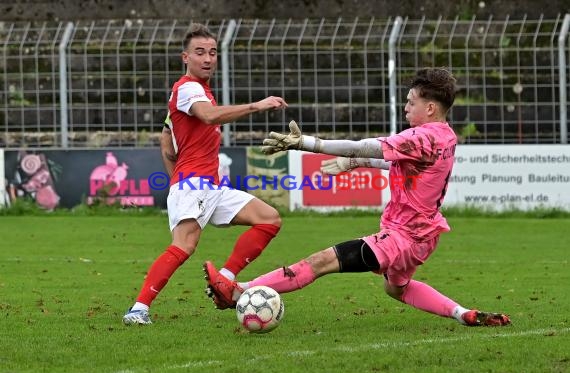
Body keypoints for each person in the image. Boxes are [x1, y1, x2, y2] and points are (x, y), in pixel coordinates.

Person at [204, 68, 511, 327]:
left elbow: (365, 146)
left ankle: (236, 291)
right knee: (397, 290)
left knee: (321, 261)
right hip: (423, 237)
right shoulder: (444, 136)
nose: (406, 108)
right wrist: (354, 163)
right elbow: (397, 162)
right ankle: (463, 314)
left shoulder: (422, 136)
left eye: (411, 102)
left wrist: (308, 143)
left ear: (430, 108)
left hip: (401, 237)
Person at [123, 23, 288, 325]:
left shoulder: (200, 92)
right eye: (200, 52)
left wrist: (176, 176)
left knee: (269, 218)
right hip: (194, 184)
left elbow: (165, 138)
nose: (208, 58)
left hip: (210, 186)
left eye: (212, 52)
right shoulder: (187, 88)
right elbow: (209, 117)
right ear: (185, 57)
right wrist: (257, 105)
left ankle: (224, 279)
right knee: (184, 245)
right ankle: (138, 309)